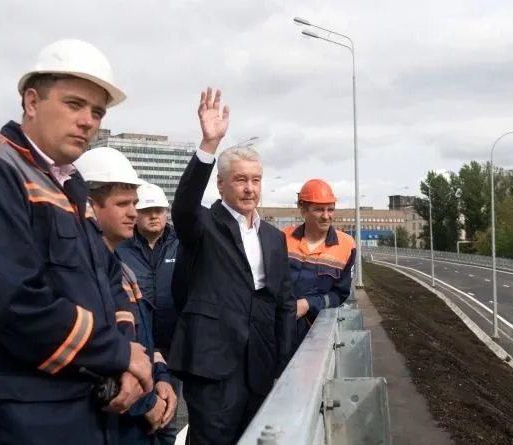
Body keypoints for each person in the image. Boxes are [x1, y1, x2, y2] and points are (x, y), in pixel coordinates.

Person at [0, 39, 153, 445]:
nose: (88, 121)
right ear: (31, 102)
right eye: (74, 104)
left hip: (78, 412)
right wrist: (120, 354)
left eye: (97, 112)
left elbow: (109, 283)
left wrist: (125, 355)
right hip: (12, 421)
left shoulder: (70, 188)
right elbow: (11, 303)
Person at [168, 88, 297, 445]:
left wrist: (283, 366)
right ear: (221, 185)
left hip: (259, 365)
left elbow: (283, 303)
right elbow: (182, 206)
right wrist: (208, 145)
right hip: (212, 367)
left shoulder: (274, 237)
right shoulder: (203, 225)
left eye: (255, 180)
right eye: (240, 180)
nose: (249, 189)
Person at [75, 147, 178, 444]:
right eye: (124, 204)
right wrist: (146, 404)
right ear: (90, 206)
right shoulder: (80, 270)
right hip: (114, 420)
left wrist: (161, 377)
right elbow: (94, 359)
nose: (134, 212)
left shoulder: (119, 268)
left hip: (140, 409)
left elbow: (140, 337)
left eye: (135, 203)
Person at [116, 181, 183, 445]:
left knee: (167, 416)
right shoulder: (120, 245)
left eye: (158, 210)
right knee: (137, 416)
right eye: (147, 210)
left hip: (172, 347)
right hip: (136, 346)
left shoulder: (181, 245)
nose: (154, 215)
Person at [283, 179, 356, 348]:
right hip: (277, 327)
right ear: (303, 210)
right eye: (319, 209)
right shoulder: (282, 238)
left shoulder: (346, 246)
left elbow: (340, 294)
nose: (326, 216)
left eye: (330, 209)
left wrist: (308, 304)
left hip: (314, 332)